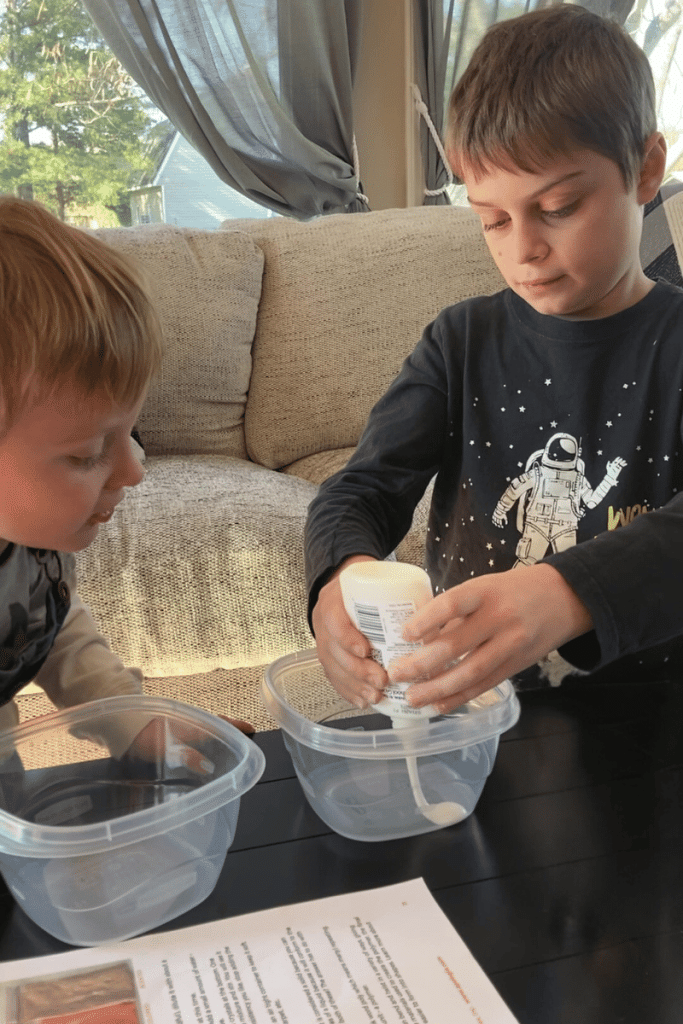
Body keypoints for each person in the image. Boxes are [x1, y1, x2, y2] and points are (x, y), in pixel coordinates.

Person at [304, 4, 683, 716]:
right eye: (492, 219)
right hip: (478, 716)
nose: (522, 250)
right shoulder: (458, 342)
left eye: (558, 207)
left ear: (644, 170)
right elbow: (360, 491)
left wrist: (569, 591)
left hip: (654, 716)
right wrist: (339, 578)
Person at [0, 196, 251, 754]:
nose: (133, 472)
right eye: (89, 452)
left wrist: (137, 726)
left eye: (130, 436)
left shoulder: (29, 540)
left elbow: (47, 625)